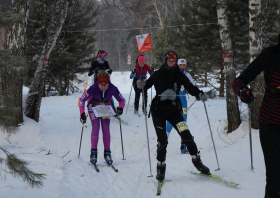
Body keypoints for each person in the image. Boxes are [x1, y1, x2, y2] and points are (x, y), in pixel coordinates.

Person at [137, 50, 210, 182]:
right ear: (165, 61)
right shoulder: (158, 73)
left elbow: (189, 87)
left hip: (174, 111)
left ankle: (197, 161)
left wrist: (199, 94)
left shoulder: (179, 74)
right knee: (163, 140)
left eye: (173, 62)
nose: (171, 64)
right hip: (158, 110)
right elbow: (146, 85)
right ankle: (161, 166)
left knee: (186, 134)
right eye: (169, 61)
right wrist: (141, 84)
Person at [232, 34, 280, 198]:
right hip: (271, 123)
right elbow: (239, 81)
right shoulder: (271, 54)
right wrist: (242, 91)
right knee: (275, 178)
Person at [79, 71, 125, 164]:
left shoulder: (112, 88)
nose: (103, 86)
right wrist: (82, 113)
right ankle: (93, 153)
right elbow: (82, 100)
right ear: (98, 82)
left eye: (105, 84)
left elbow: (122, 100)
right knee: (96, 128)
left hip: (105, 107)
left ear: (109, 82)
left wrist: (120, 108)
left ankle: (107, 153)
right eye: (101, 84)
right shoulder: (93, 88)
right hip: (93, 106)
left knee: (106, 129)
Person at [166, 58, 198, 154]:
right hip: (173, 102)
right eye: (180, 65)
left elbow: (194, 86)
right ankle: (162, 144)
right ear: (177, 65)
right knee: (170, 123)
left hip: (183, 103)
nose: (182, 67)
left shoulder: (187, 75)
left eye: (184, 65)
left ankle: (183, 146)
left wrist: (198, 93)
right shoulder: (172, 73)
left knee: (183, 124)